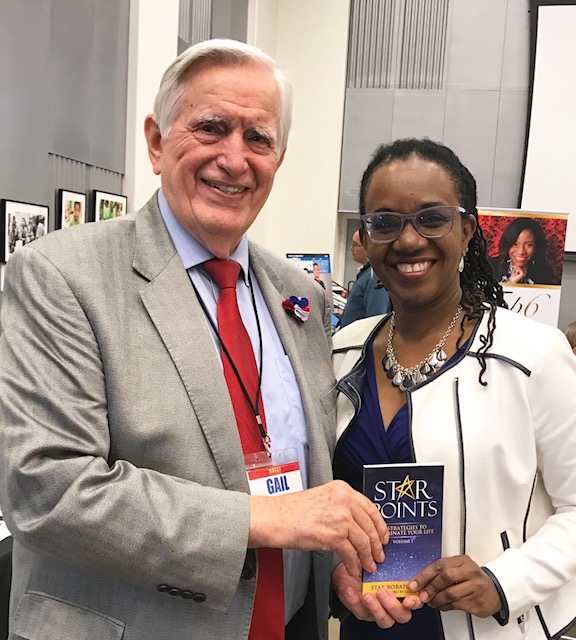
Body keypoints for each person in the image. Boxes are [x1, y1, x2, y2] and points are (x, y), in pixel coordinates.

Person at [0, 39, 388, 640]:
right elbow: (47, 489)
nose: (234, 159)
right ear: (156, 142)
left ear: (278, 160)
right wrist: (264, 518)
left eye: (258, 138)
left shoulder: (299, 296)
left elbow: (304, 477)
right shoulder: (62, 276)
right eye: (211, 128)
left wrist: (334, 563)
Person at [330, 137, 576, 640]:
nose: (408, 240)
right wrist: (335, 570)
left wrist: (503, 582)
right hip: (368, 624)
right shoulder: (340, 353)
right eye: (385, 222)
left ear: (467, 231)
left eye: (432, 218)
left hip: (487, 626)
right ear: (367, 237)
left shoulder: (533, 355)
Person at [340, 228, 389, 328]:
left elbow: (375, 319)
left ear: (368, 247)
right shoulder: (366, 274)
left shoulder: (375, 277)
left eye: (355, 244)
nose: (351, 248)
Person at [488, 217, 557, 285]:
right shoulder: (489, 266)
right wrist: (511, 283)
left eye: (529, 245)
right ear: (507, 244)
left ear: (536, 247)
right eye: (515, 244)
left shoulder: (545, 273)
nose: (521, 252)